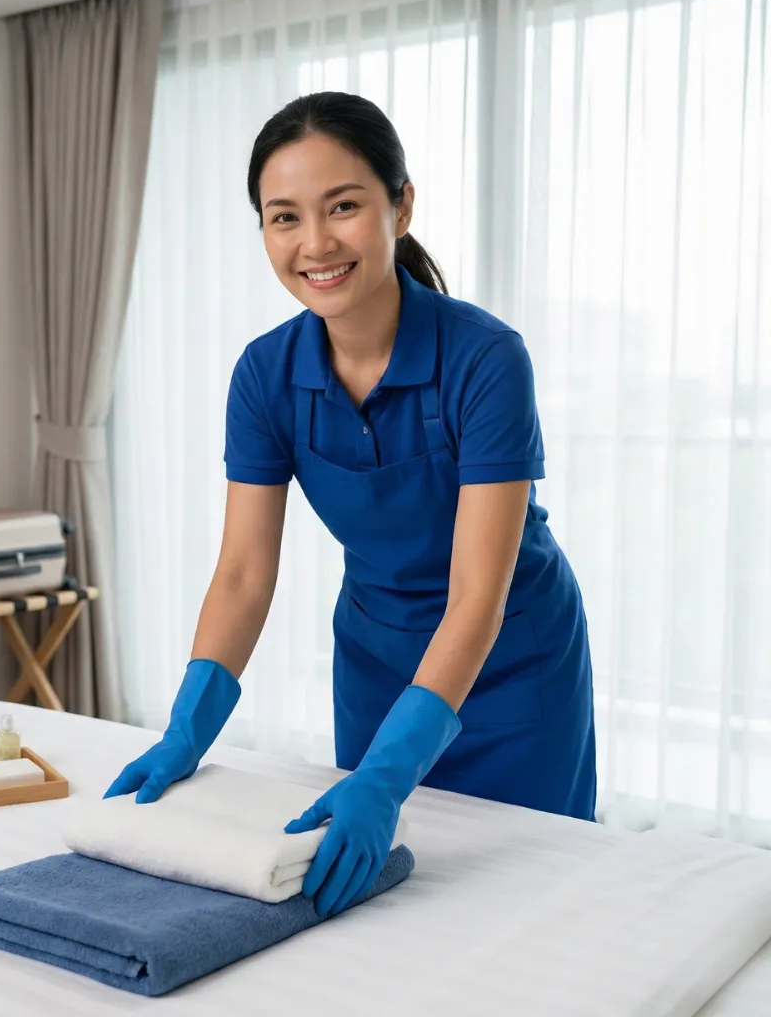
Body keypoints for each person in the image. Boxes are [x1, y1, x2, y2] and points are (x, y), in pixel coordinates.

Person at [105, 91, 597, 920]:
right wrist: (188, 728)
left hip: (512, 668)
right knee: (377, 914)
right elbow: (243, 574)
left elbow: (477, 596)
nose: (315, 243)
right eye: (284, 217)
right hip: (376, 664)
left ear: (400, 207)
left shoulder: (485, 359)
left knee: (527, 908)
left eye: (343, 206)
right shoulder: (264, 376)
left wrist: (388, 772)